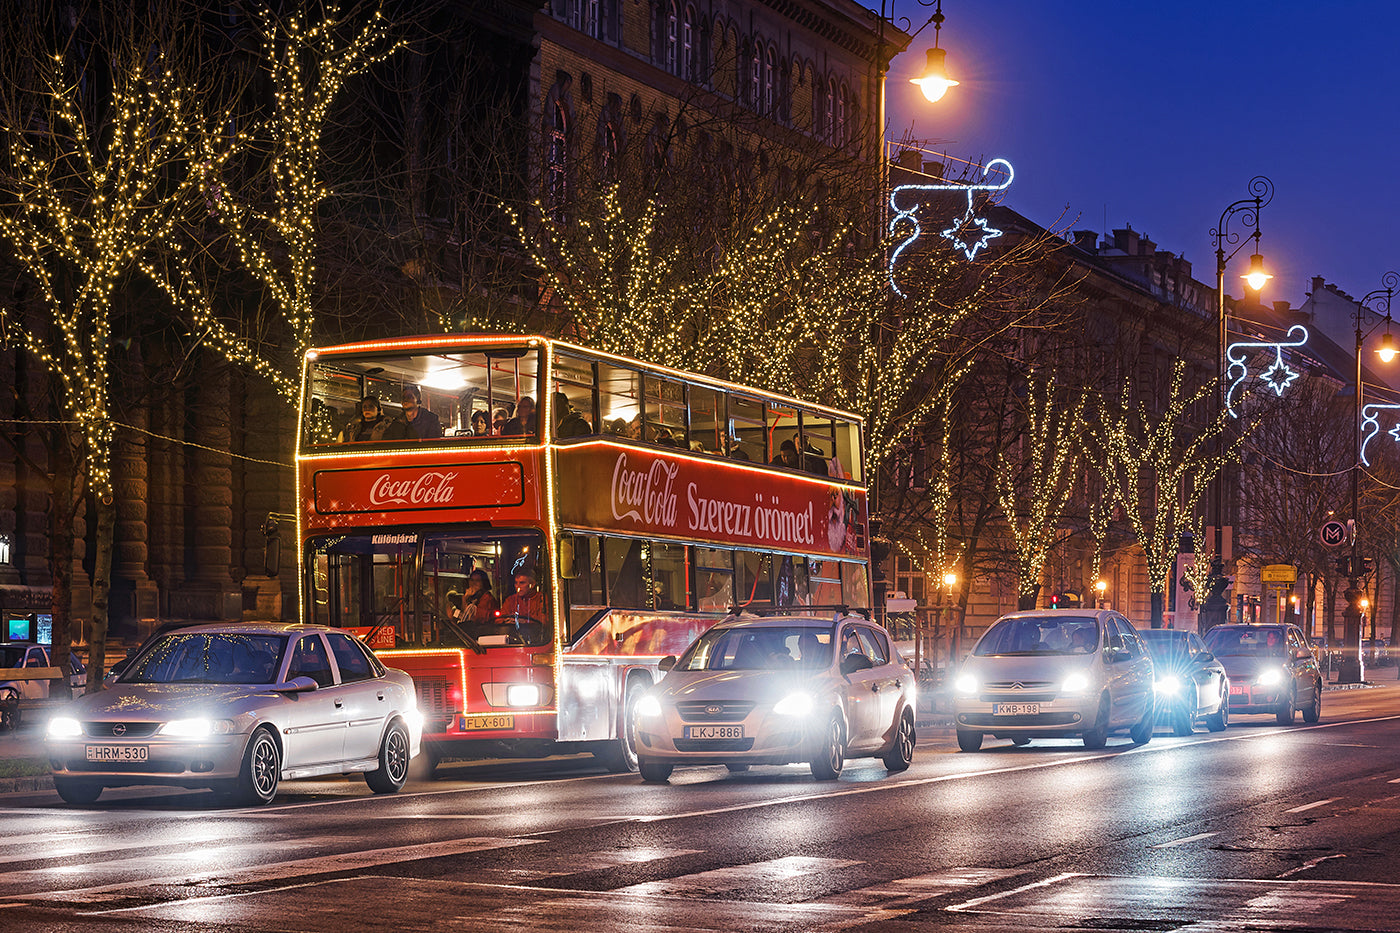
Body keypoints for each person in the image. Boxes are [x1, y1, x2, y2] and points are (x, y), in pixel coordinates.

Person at [342, 395, 409, 443]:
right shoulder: (355, 427)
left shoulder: (387, 426)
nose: (367, 409)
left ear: (378, 409)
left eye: (371, 406)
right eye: (364, 407)